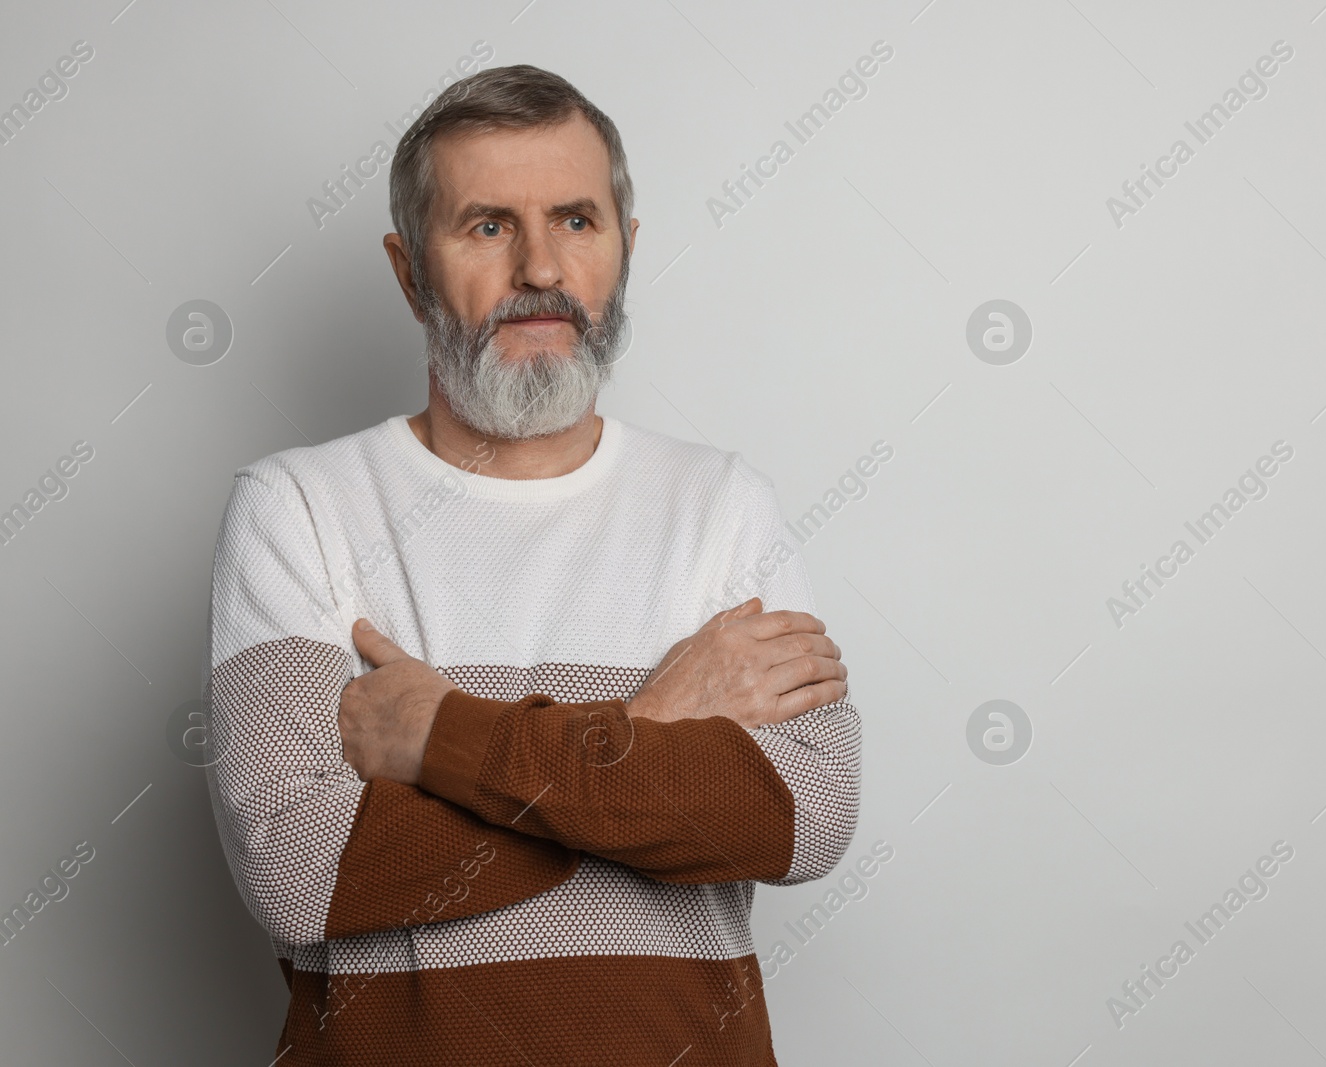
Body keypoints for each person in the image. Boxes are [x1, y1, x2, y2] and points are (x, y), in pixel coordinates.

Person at [205, 63, 861, 1066]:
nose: (541, 268)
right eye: (486, 225)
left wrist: (442, 739)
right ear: (407, 268)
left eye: (576, 221)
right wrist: (648, 726)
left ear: (625, 249)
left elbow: (805, 818)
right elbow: (302, 871)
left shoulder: (722, 502)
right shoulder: (299, 506)